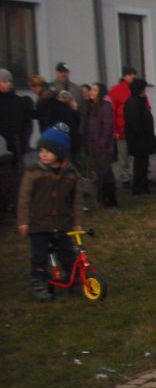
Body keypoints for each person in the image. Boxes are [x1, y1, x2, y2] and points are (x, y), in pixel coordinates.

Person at [16, 123, 83, 301]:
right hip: (39, 223)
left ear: (59, 153)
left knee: (68, 253)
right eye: (41, 150)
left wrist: (77, 222)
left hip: (62, 223)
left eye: (48, 151)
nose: (43, 154)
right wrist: (23, 220)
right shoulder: (34, 173)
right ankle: (39, 282)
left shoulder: (70, 174)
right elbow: (24, 198)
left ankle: (74, 279)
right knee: (39, 256)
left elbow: (76, 201)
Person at [83, 82, 117, 207]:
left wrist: (101, 143)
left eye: (95, 90)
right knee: (99, 173)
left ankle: (110, 199)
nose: (91, 92)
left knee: (106, 172)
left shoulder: (105, 106)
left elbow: (107, 127)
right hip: (93, 146)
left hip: (102, 147)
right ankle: (102, 198)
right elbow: (88, 127)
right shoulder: (91, 106)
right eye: (91, 89)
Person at [124, 78, 156, 195]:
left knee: (143, 164)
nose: (145, 92)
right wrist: (142, 135)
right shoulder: (133, 102)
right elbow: (134, 122)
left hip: (142, 138)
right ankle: (139, 187)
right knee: (140, 165)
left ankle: (142, 185)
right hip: (138, 140)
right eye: (143, 89)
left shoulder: (137, 101)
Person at [108, 66, 139, 188]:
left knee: (137, 154)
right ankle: (125, 177)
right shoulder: (116, 90)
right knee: (123, 154)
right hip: (122, 128)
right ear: (125, 76)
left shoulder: (136, 88)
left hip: (136, 127)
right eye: (130, 74)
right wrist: (114, 129)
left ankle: (138, 176)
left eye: (133, 74)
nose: (133, 76)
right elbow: (112, 111)